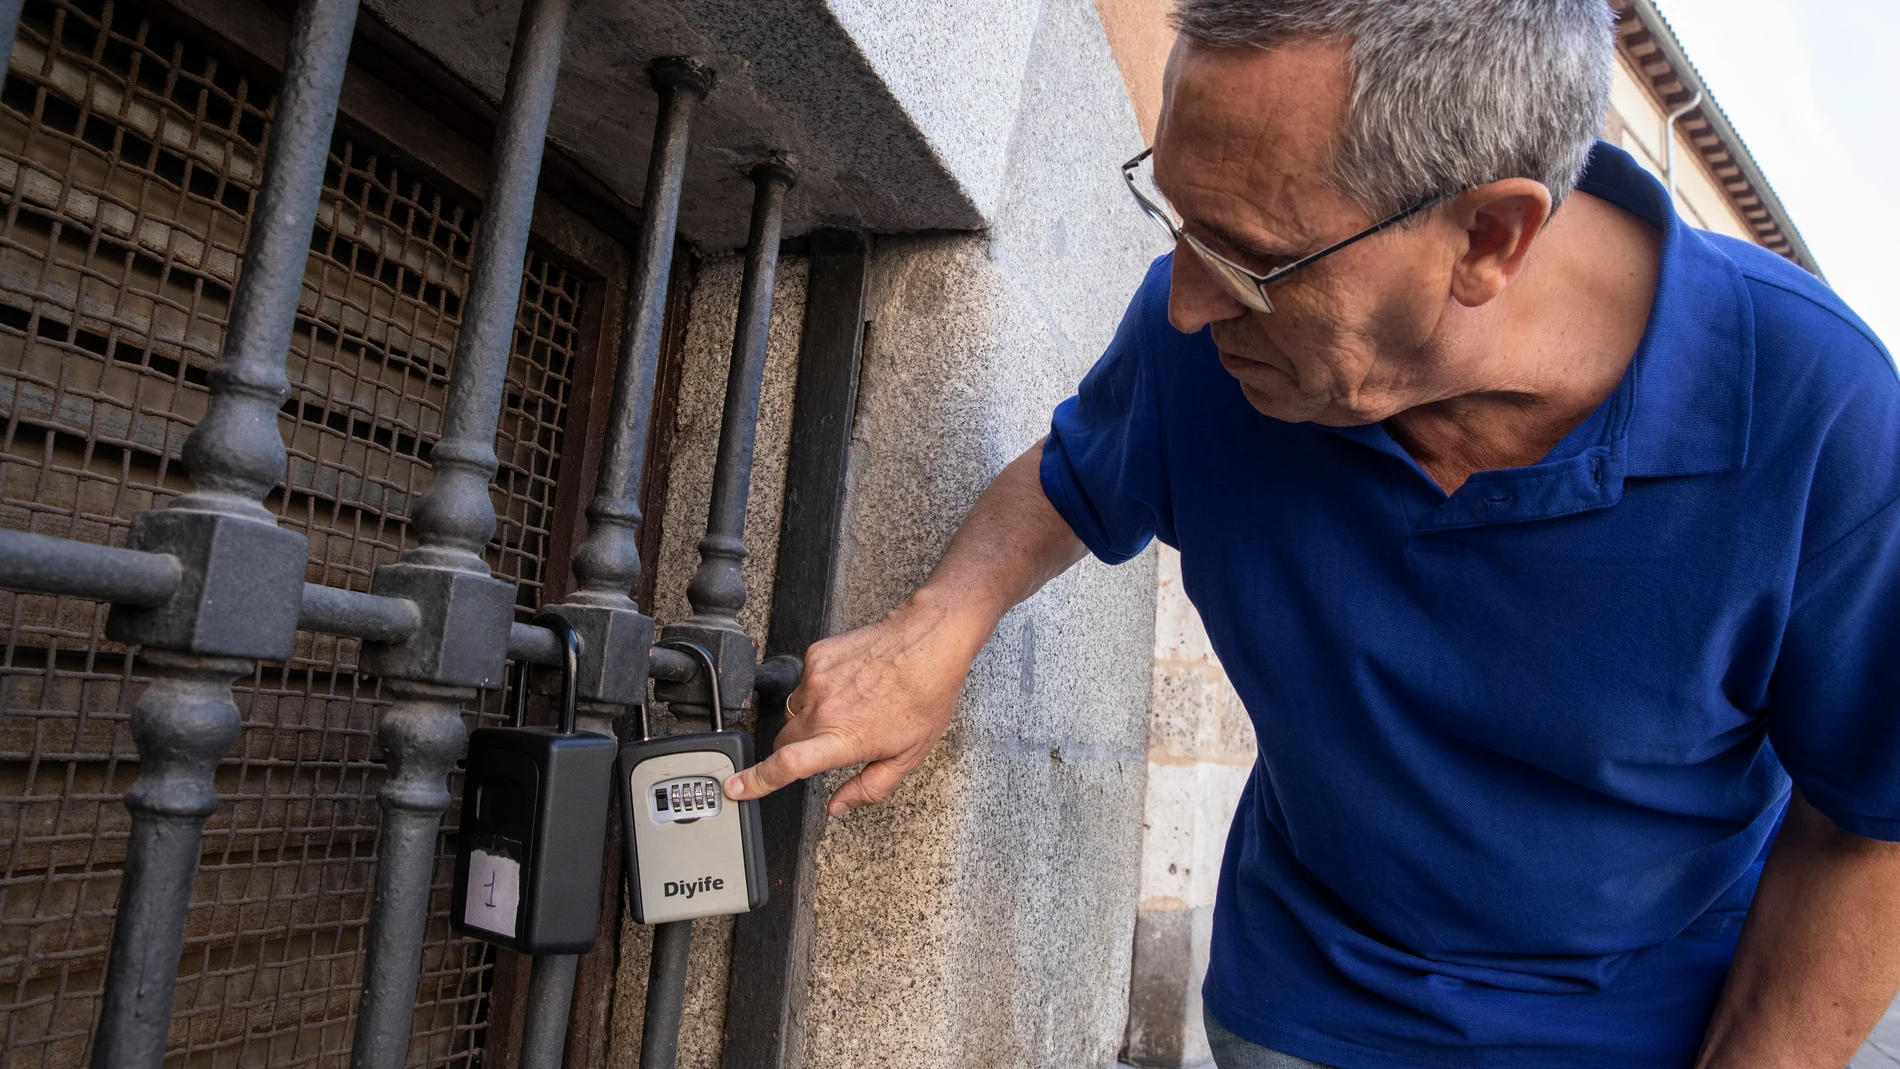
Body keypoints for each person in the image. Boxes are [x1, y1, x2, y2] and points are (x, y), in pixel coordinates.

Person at [723, 1, 1900, 1065]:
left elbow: (1870, 827)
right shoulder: (1214, 337)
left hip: (1634, 1031)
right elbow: (1079, 472)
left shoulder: (1822, 419)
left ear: (1488, 235)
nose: (1184, 302)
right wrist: (935, 628)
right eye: (1177, 218)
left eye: (1251, 257)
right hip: (1293, 1009)